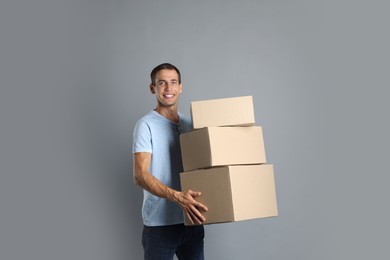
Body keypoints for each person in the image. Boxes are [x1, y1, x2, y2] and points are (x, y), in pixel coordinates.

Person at [132, 63, 208, 260]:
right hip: (160, 225)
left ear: (180, 87)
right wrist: (177, 197)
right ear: (153, 88)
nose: (168, 88)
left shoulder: (190, 124)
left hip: (191, 220)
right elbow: (140, 175)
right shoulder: (145, 125)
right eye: (162, 83)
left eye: (173, 82)